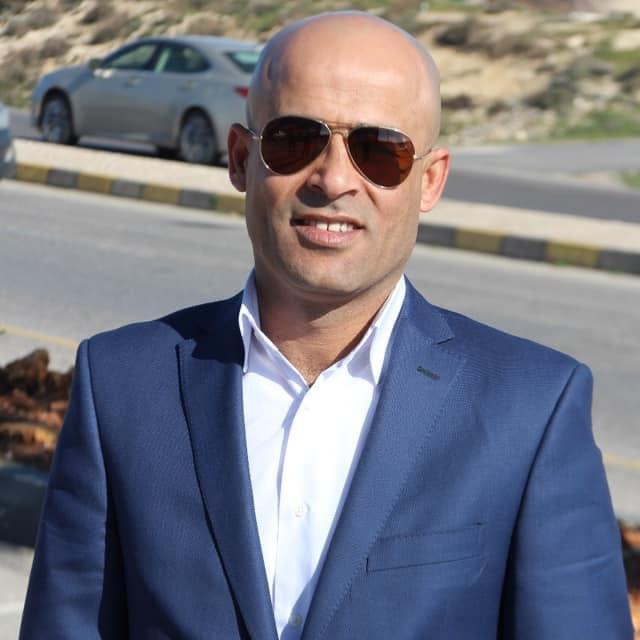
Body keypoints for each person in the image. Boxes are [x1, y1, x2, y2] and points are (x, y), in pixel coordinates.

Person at [20, 12, 632, 640]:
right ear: (241, 158)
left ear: (430, 180)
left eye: (380, 151)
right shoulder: (121, 385)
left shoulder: (530, 409)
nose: (334, 179)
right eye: (294, 140)